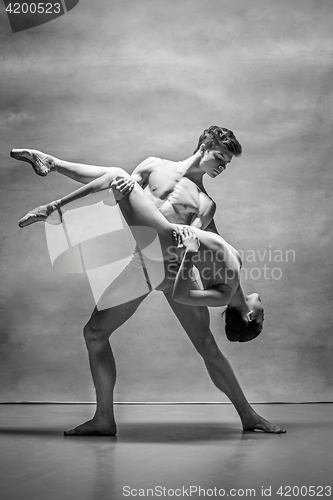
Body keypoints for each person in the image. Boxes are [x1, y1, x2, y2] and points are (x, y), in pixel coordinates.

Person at [12, 127, 286, 434]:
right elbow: (115, 194)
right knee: (95, 333)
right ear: (205, 144)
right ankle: (104, 418)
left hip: (175, 269)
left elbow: (195, 244)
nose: (222, 166)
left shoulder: (206, 204)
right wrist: (115, 195)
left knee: (207, 344)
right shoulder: (153, 165)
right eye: (220, 156)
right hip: (142, 264)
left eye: (227, 163)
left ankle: (249, 416)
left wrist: (238, 303)